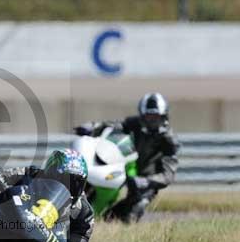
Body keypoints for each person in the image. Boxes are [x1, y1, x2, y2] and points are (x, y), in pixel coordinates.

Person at [74, 92, 180, 222]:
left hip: (146, 180)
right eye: (148, 116)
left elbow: (168, 175)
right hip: (126, 167)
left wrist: (146, 181)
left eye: (155, 117)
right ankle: (82, 210)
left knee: (133, 211)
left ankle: (109, 222)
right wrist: (94, 126)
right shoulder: (136, 123)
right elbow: (115, 125)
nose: (151, 121)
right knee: (93, 178)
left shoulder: (169, 141)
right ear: (142, 116)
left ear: (164, 117)